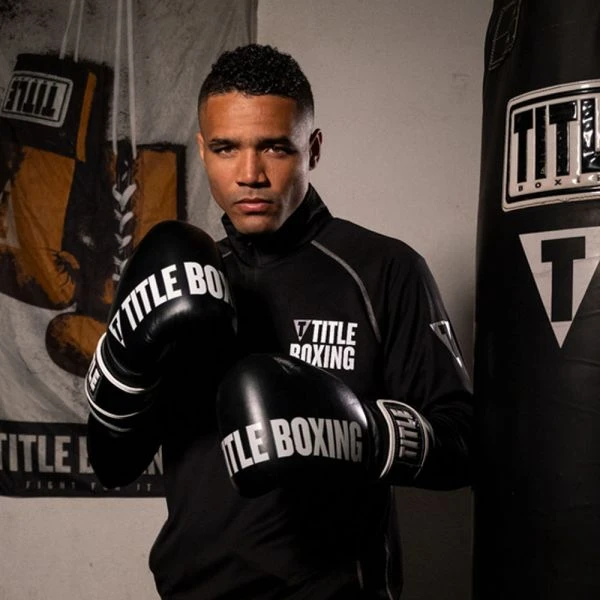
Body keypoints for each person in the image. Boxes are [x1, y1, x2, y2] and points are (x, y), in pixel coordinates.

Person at [85, 43, 473, 599]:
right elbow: (113, 464)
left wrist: (363, 432)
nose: (250, 174)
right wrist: (126, 362)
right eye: (226, 148)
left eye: (274, 147)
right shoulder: (179, 279)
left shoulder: (383, 270)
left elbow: (464, 444)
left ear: (312, 148)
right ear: (203, 150)